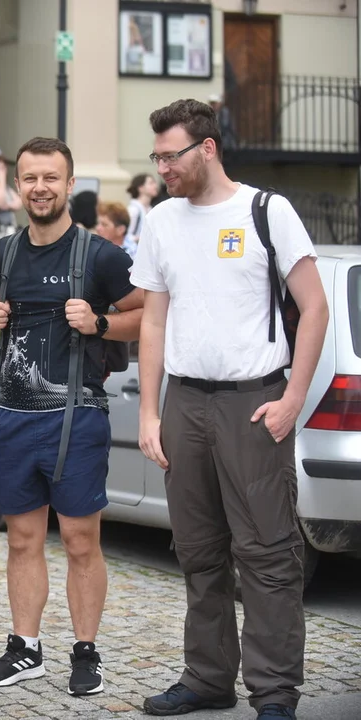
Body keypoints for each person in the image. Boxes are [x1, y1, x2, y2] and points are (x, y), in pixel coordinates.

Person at [133, 99, 328, 720]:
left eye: (172, 155)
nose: (163, 167)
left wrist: (292, 398)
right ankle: (208, 679)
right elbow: (154, 319)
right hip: (185, 402)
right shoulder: (162, 220)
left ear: (207, 148)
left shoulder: (268, 211)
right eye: (157, 156)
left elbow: (315, 306)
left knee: (267, 553)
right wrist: (148, 413)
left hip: (254, 402)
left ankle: (274, 693)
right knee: (197, 550)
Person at [0, 137, 144, 697]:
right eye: (30, 178)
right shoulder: (3, 252)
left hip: (77, 418)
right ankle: (26, 649)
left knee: (80, 541)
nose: (40, 187)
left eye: (51, 178)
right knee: (21, 539)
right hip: (12, 417)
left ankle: (86, 653)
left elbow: (147, 314)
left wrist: (100, 323)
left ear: (70, 185)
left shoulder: (101, 256)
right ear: (17, 186)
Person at [125, 172, 159, 254]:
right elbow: (125, 236)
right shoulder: (133, 210)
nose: (155, 186)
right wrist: (140, 238)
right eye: (151, 183)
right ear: (140, 188)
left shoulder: (151, 209)